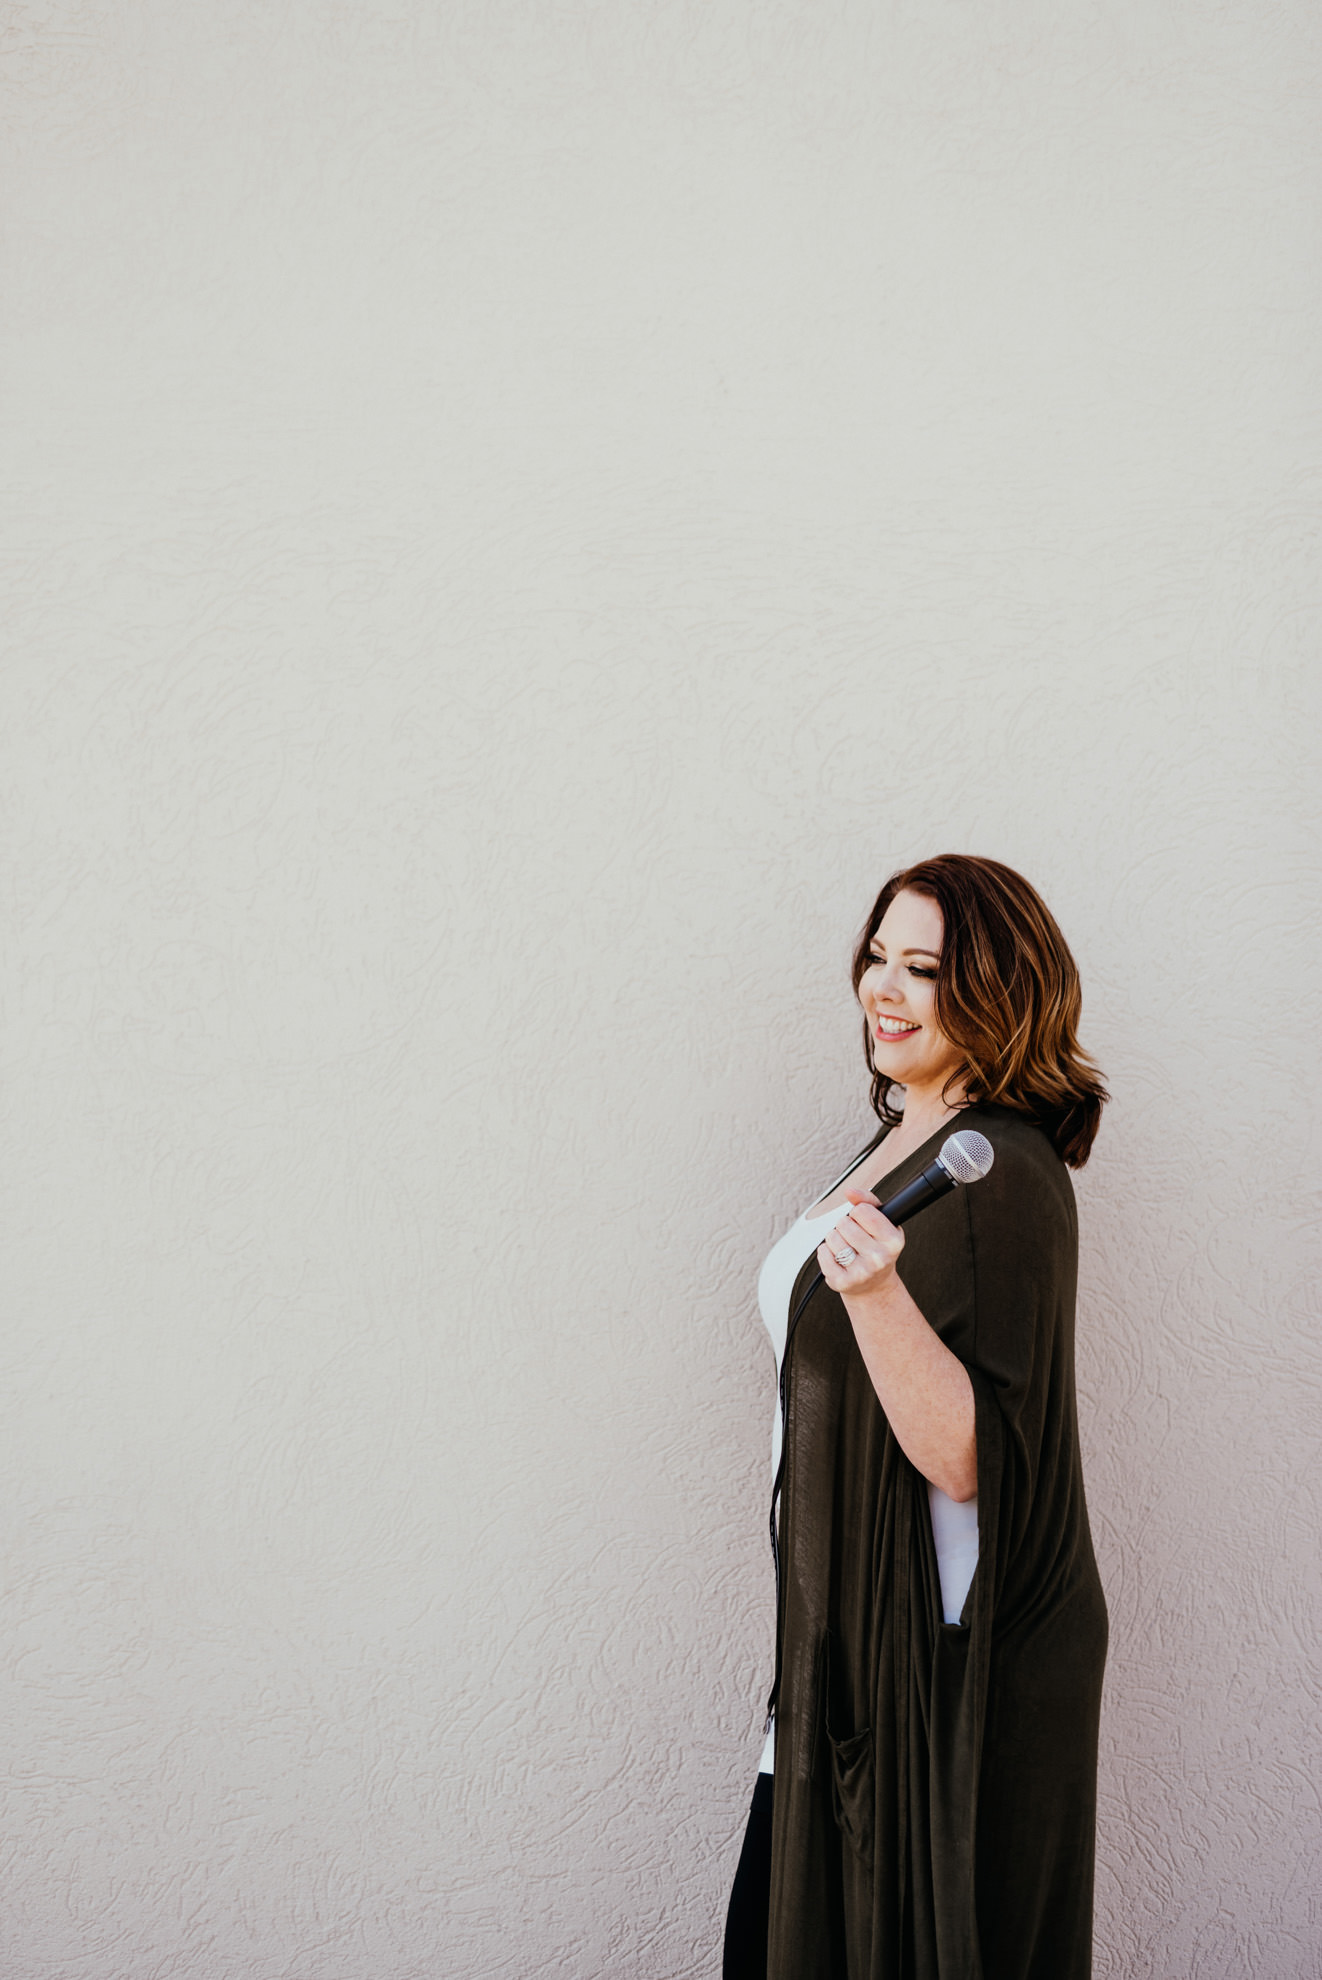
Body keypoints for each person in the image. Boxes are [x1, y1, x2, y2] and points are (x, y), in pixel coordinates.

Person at [722, 854, 1110, 1980]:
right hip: (845, 1651)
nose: (882, 989)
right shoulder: (904, 1138)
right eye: (876, 957)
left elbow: (971, 1458)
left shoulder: (1001, 1169)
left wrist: (876, 1296)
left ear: (996, 990)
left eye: (923, 969)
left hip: (938, 1674)